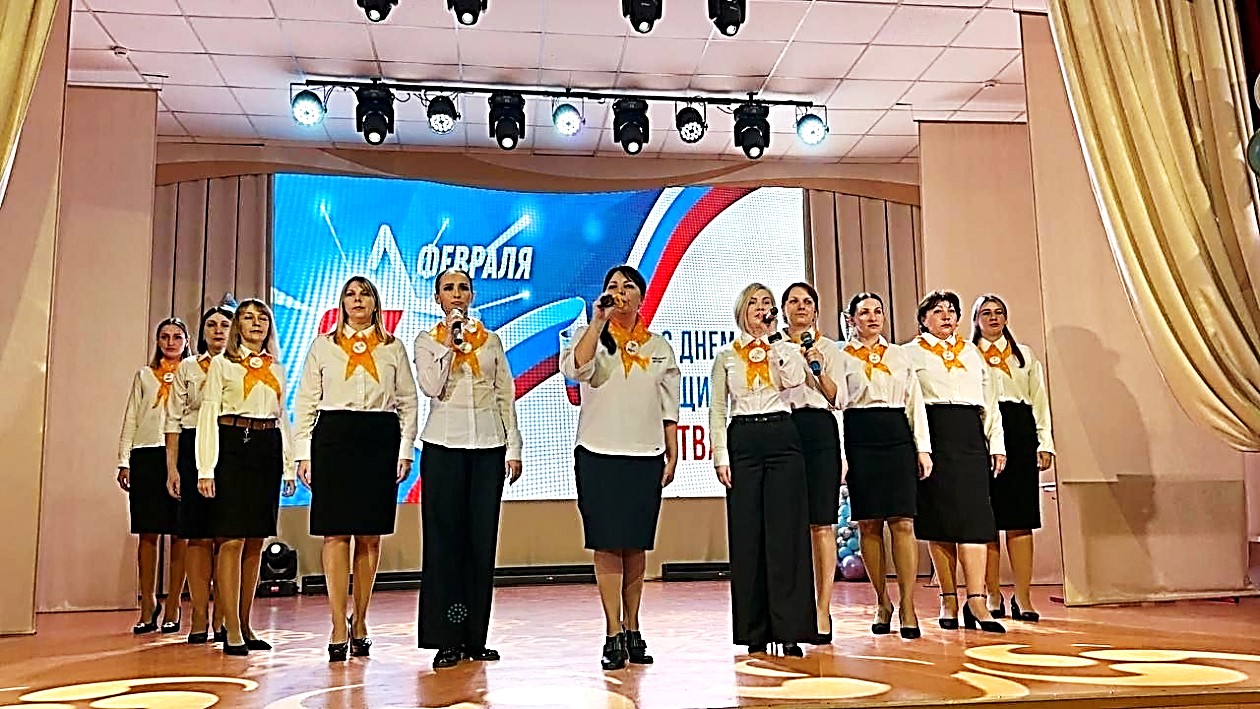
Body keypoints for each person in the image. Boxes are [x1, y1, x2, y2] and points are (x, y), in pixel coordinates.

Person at [560, 265, 680, 670]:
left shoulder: (659, 346)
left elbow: (668, 404)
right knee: (608, 543)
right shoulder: (588, 336)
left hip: (645, 455)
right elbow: (575, 369)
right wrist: (598, 321)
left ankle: (633, 626)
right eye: (612, 286)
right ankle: (612, 631)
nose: (620, 292)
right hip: (598, 453)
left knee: (636, 545)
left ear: (642, 296)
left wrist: (672, 449)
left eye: (628, 286)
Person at [294, 276, 419, 662]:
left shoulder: (392, 346)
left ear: (375, 303)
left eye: (365, 294)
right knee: (335, 533)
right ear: (342, 303)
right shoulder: (323, 345)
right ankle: (336, 622)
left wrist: (405, 450)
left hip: (379, 438)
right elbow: (306, 401)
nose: (358, 300)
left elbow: (408, 401)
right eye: (350, 294)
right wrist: (303, 453)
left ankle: (360, 620)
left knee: (369, 535)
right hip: (334, 437)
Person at [413, 269, 522, 670]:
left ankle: (475, 636)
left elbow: (504, 392)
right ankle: (447, 637)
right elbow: (431, 386)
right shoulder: (426, 341)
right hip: (444, 447)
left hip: (488, 448)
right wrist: (448, 341)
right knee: (445, 545)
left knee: (480, 543)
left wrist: (513, 446)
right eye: (448, 289)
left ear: (472, 295)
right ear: (438, 298)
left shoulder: (490, 340)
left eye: (463, 288)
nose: (456, 294)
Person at [711, 283, 815, 657]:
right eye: (753, 303)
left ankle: (789, 629)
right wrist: (720, 455)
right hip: (743, 437)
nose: (760, 308)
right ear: (741, 310)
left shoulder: (785, 348)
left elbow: (794, 380)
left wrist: (776, 344)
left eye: (767, 303)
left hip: (781, 433)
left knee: (785, 535)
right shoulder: (726, 356)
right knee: (747, 534)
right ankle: (753, 629)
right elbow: (718, 407)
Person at [196, 299, 297, 656]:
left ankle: (245, 621)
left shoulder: (276, 367)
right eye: (249, 318)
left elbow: (282, 416)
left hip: (266, 447)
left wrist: (288, 464)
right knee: (232, 539)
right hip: (233, 445)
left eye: (262, 318)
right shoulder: (223, 364)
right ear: (238, 325)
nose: (256, 323)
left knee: (256, 539)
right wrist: (206, 467)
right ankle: (230, 627)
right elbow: (208, 414)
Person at [904, 290, 1006, 634]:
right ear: (923, 319)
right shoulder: (910, 353)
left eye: (951, 310)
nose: (946, 316)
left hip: (970, 436)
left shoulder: (972, 353)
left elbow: (990, 402)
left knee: (975, 519)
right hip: (934, 435)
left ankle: (976, 599)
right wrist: (921, 448)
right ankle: (948, 597)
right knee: (941, 519)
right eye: (937, 311)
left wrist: (997, 444)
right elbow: (911, 404)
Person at [837, 293, 932, 639]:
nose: (873, 317)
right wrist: (841, 456)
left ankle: (908, 605)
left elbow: (914, 402)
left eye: (878, 311)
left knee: (903, 522)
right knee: (869, 524)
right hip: (860, 436)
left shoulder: (900, 355)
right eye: (864, 312)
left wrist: (923, 449)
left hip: (896, 435)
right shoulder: (840, 357)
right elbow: (836, 407)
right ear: (851, 319)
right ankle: (882, 602)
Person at [971, 294, 1054, 623]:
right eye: (986, 313)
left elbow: (1040, 401)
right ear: (976, 320)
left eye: (999, 312)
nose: (993, 318)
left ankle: (1023, 595)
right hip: (983, 434)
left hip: (1020, 432)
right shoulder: (968, 355)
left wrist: (1044, 443)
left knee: (1020, 518)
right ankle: (992, 593)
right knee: (988, 519)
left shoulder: (1025, 356)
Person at [778, 282, 844, 645]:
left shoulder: (829, 348)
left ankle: (822, 608)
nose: (801, 306)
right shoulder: (772, 345)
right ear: (783, 310)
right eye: (793, 301)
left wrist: (815, 366)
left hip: (819, 429)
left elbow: (837, 398)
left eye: (807, 302)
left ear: (816, 311)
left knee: (822, 521)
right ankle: (792, 608)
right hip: (783, 428)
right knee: (790, 523)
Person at [118, 317, 190, 635]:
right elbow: (132, 417)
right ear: (157, 342)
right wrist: (124, 460)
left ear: (186, 341)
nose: (171, 342)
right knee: (147, 533)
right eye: (165, 337)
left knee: (180, 534)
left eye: (177, 337)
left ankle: (174, 603)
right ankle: (148, 603)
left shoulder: (193, 373)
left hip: (180, 455)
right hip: (146, 454)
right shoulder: (144, 376)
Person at [165, 304, 232, 644]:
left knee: (227, 535)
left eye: (224, 325)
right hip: (193, 447)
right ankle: (199, 615)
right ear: (202, 332)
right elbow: (173, 420)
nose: (218, 330)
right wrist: (172, 468)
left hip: (230, 446)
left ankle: (224, 615)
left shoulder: (240, 367)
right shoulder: (188, 367)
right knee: (197, 535)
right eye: (211, 325)